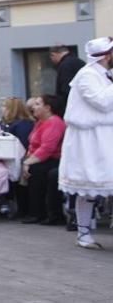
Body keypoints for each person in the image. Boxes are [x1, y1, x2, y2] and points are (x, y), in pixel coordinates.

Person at [58, 36, 113, 250]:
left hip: (106, 135)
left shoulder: (105, 75)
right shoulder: (86, 75)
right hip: (90, 139)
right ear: (106, 55)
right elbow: (101, 102)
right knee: (88, 188)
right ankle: (83, 233)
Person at [20, 94, 66, 225]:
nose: (33, 107)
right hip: (39, 158)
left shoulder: (55, 122)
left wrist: (28, 162)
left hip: (54, 159)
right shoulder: (40, 122)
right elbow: (32, 143)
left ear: (48, 108)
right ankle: (30, 210)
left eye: (37, 104)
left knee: (37, 171)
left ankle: (42, 213)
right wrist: (27, 159)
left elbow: (47, 148)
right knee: (27, 170)